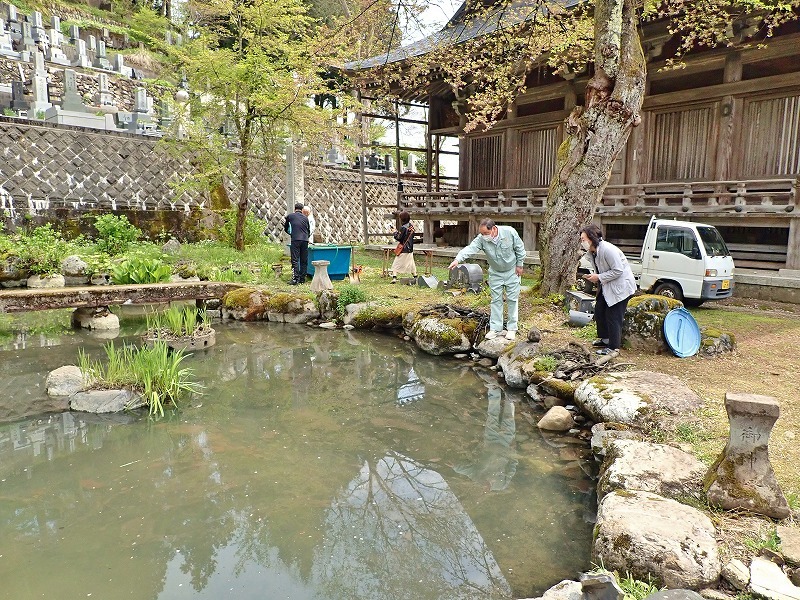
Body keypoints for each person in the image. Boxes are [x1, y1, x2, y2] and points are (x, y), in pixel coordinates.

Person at [448, 218, 525, 340]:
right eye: (482, 234)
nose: (484, 236)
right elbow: (470, 248)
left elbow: (520, 248)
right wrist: (457, 259)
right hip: (495, 272)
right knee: (496, 300)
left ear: (493, 229)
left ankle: (512, 328)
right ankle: (496, 328)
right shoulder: (481, 239)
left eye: (485, 233)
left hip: (512, 271)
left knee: (512, 300)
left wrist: (520, 265)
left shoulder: (509, 232)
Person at [579, 223, 637, 356]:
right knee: (600, 310)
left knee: (613, 316)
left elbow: (618, 270)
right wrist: (595, 277)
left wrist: (598, 277)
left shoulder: (608, 250)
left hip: (621, 286)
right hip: (607, 285)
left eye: (584, 240)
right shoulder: (593, 252)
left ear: (592, 238)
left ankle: (613, 347)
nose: (582, 243)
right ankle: (605, 339)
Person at [284, 202, 310, 285]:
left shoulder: (290, 216)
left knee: (295, 260)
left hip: (296, 239)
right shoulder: (306, 218)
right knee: (304, 260)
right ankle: (302, 279)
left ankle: (295, 279)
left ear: (295, 209)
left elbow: (286, 227)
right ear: (302, 210)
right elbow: (308, 230)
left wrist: (291, 233)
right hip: (305, 240)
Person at [390, 211, 417, 283]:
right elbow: (406, 236)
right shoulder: (411, 226)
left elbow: (399, 238)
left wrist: (394, 232)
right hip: (410, 248)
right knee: (411, 263)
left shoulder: (403, 228)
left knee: (396, 263)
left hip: (404, 249)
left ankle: (394, 278)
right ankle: (415, 276)